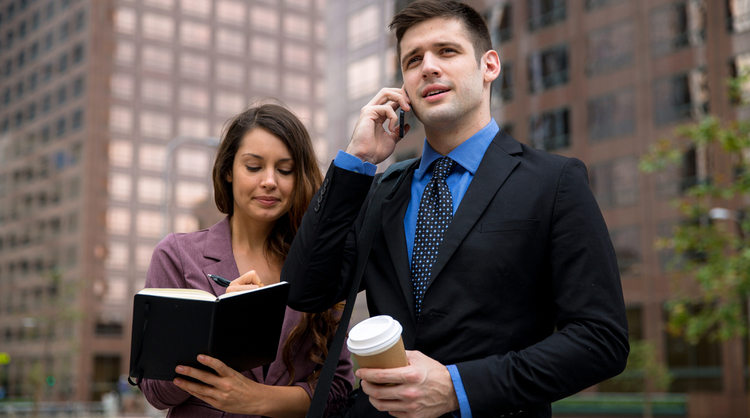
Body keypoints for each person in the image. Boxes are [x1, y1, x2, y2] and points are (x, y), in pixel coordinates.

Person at [278, 1, 630, 417]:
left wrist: (458, 387)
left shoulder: (554, 182)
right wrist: (355, 162)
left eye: (447, 51)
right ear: (404, 87)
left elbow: (601, 340)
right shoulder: (383, 190)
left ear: (489, 66)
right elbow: (305, 289)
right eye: (413, 60)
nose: (428, 67)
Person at [138, 102, 354, 418]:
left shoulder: (317, 262)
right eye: (253, 167)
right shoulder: (177, 255)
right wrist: (220, 328)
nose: (269, 181)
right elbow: (156, 392)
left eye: (285, 170)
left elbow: (337, 392)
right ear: (227, 170)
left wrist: (258, 399)